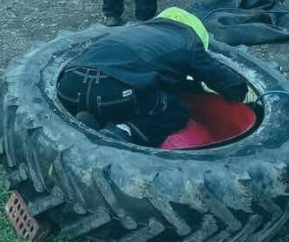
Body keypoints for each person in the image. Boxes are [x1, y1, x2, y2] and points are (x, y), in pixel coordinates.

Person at [57, 8, 248, 146]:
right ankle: (121, 133)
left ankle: (90, 121)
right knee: (176, 110)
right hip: (114, 91)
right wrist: (242, 94)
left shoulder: (137, 31)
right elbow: (226, 82)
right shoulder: (189, 41)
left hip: (70, 84)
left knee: (123, 99)